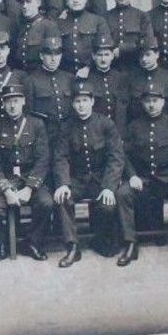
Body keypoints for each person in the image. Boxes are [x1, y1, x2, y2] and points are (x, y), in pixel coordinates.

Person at [117, 77, 168, 270]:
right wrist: (132, 175)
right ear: (142, 103)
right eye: (147, 101)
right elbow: (123, 155)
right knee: (123, 193)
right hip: (144, 180)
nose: (151, 105)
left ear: (163, 101)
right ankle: (130, 243)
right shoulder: (134, 126)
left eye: (155, 101)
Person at [52, 81, 125, 264]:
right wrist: (64, 184)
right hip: (77, 179)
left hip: (100, 180)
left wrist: (109, 187)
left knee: (108, 206)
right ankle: (72, 246)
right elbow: (61, 158)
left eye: (85, 100)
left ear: (92, 101)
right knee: (62, 198)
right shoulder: (66, 126)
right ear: (73, 104)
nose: (81, 105)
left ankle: (100, 239)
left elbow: (115, 158)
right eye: (77, 101)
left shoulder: (106, 124)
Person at [0, 84, 54, 262]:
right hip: (6, 178)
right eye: (8, 101)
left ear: (23, 101)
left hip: (29, 177)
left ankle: (32, 242)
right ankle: (2, 244)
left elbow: (43, 159)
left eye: (16, 101)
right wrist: (7, 190)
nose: (12, 106)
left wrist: (30, 188)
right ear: (3, 103)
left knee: (46, 204)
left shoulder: (37, 124)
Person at [26, 34, 76, 152]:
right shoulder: (31, 80)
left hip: (68, 134)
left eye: (57, 54)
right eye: (49, 54)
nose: (53, 59)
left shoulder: (69, 78)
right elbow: (28, 113)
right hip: (45, 135)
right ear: (41, 56)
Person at [81, 32, 130, 138]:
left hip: (115, 131)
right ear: (93, 56)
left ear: (112, 55)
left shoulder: (120, 77)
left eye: (107, 55)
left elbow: (122, 109)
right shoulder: (87, 78)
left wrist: (120, 134)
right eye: (99, 55)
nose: (103, 59)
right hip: (95, 132)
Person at [58, 0, 112, 76]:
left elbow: (104, 49)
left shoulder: (98, 21)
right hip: (65, 74)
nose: (76, 0)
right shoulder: (59, 23)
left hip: (92, 74)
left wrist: (88, 67)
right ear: (66, 0)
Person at [126, 36, 168, 122]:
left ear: (157, 54)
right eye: (141, 56)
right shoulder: (132, 78)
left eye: (148, 54)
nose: (144, 59)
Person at [106, 0, 150, 69]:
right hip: (113, 68)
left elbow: (147, 42)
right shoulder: (105, 17)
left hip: (135, 67)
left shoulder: (142, 16)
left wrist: (122, 50)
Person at [14, 0, 60, 70]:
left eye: (29, 1)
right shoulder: (20, 26)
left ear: (38, 3)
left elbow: (54, 55)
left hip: (40, 76)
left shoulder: (48, 26)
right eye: (22, 2)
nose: (24, 6)